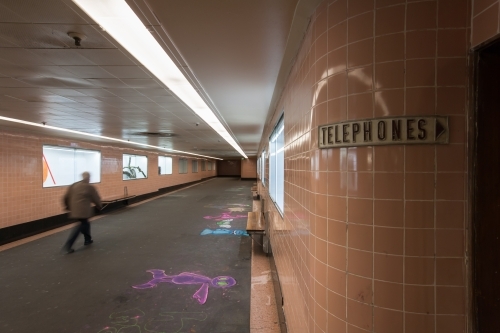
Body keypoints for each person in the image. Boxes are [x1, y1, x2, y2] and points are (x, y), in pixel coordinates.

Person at [62, 172, 102, 254]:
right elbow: (96, 198)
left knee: (85, 223)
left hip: (74, 209)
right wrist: (99, 206)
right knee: (81, 226)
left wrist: (67, 206)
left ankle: (88, 239)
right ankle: (69, 245)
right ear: (89, 178)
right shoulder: (89, 187)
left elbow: (65, 197)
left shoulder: (74, 185)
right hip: (83, 211)